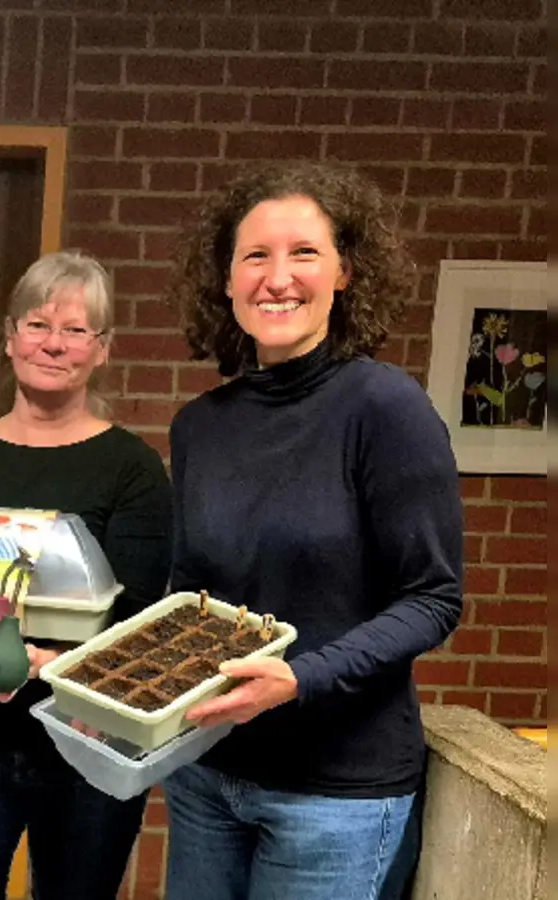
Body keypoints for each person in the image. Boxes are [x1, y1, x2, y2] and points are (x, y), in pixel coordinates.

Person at [160, 161, 463, 900]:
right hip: (209, 775)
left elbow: (432, 599)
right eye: (255, 256)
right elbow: (189, 596)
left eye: (304, 253)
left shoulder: (386, 411)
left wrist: (300, 679)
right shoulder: (201, 426)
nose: (277, 277)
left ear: (346, 273)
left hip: (338, 798)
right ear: (225, 281)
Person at [0, 251, 173, 899]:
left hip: (88, 740)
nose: (53, 343)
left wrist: (30, 662)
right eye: (37, 324)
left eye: (76, 330)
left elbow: (133, 611)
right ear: (9, 338)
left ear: (102, 349)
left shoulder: (131, 470)